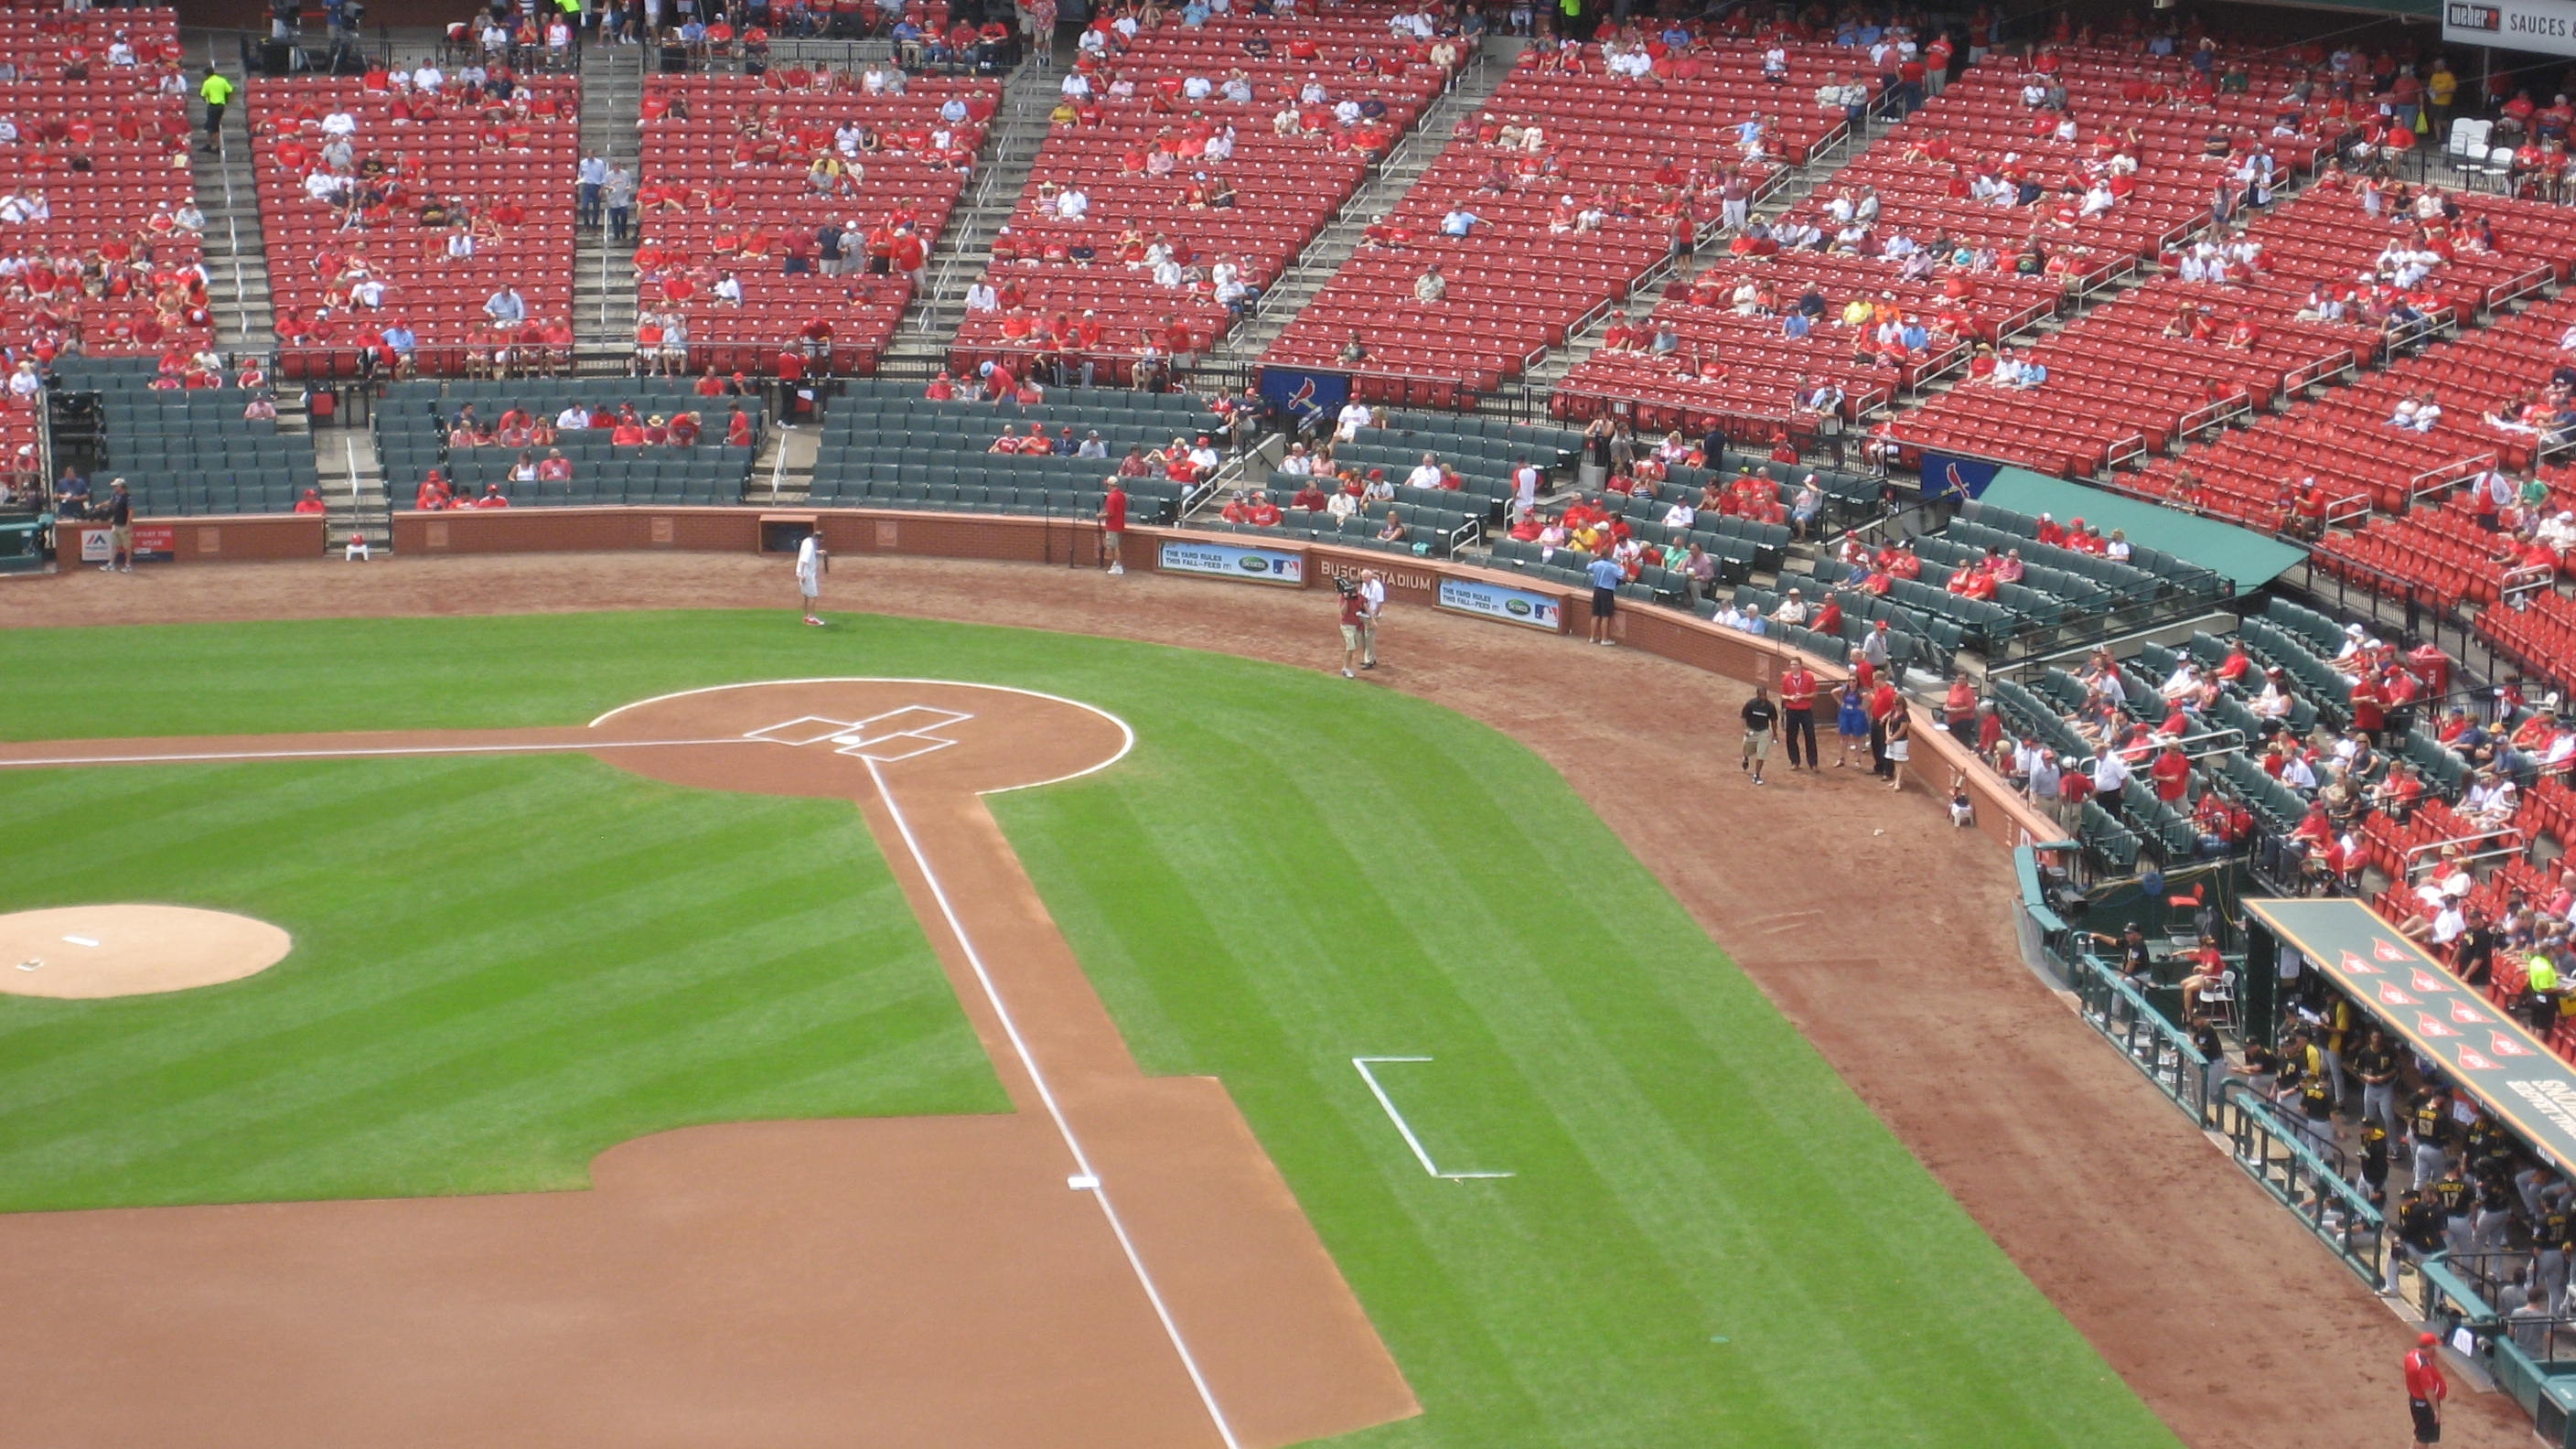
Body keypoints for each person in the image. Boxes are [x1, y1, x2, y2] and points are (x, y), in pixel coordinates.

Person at [2404, 1331, 2447, 1448]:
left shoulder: (2411, 1355)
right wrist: (2436, 1410)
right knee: (2424, 1438)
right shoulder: (2424, 1368)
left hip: (2415, 1400)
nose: (2436, 1349)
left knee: (2420, 1431)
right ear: (2429, 1347)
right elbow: (2429, 1391)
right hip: (2424, 1404)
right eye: (2434, 1346)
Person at [1741, 684, 1777, 785]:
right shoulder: (1751, 704)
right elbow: (1743, 717)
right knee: (1746, 750)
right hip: (1752, 731)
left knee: (1761, 755)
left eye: (1765, 695)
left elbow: (1773, 721)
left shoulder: (1770, 706)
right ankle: (1746, 758)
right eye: (1762, 695)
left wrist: (1775, 734)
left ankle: (1757, 775)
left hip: (1764, 732)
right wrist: (1746, 729)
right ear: (1758, 695)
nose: (1764, 697)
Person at [1585, 552, 1623, 644]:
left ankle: (1592, 637)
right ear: (1610, 555)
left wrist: (1595, 558)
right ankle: (1604, 639)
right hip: (1607, 592)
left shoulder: (1597, 564)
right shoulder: (1612, 567)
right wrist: (1621, 566)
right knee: (1605, 616)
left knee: (1595, 614)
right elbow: (1621, 574)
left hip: (1597, 590)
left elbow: (1588, 566)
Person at [97, 478, 134, 572]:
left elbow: (130, 511)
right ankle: (111, 564)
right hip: (116, 524)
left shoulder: (128, 497)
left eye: (116, 486)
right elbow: (110, 503)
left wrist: (128, 525)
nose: (114, 487)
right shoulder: (115, 495)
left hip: (123, 525)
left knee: (127, 547)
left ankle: (128, 565)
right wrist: (101, 505)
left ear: (121, 486)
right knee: (114, 546)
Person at [793, 528, 827, 625]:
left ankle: (807, 616)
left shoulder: (807, 541)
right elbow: (804, 560)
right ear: (818, 539)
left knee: (807, 595)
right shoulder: (810, 547)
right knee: (813, 595)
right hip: (807, 575)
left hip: (802, 573)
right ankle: (811, 618)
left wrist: (818, 552)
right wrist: (802, 575)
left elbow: (807, 553)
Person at [199, 66, 235, 154]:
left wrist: (206, 101)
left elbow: (203, 95)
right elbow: (230, 90)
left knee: (214, 127)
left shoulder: (207, 82)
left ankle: (216, 146)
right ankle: (210, 145)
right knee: (210, 125)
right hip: (221, 106)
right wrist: (228, 102)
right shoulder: (222, 80)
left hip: (213, 105)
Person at [1337, 577, 1368, 679]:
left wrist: (1372, 619)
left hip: (1357, 626)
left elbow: (1365, 610)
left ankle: (1348, 667)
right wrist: (1347, 599)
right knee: (1351, 646)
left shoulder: (1361, 597)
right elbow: (1343, 612)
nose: (1357, 587)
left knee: (1358, 645)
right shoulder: (1343, 597)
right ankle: (1346, 668)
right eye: (1355, 585)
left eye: (1359, 585)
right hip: (1346, 625)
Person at [1357, 568, 1386, 670]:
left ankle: (1368, 661)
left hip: (1372, 615)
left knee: (1369, 637)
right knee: (1363, 638)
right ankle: (1370, 658)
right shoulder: (1363, 585)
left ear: (1370, 577)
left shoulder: (1377, 587)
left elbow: (1380, 603)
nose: (1363, 579)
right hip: (1363, 614)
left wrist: (1375, 617)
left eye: (1365, 577)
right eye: (1362, 577)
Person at [1098, 477, 1127, 574]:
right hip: (1120, 524)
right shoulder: (1121, 495)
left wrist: (1100, 515)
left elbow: (1110, 513)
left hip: (1113, 525)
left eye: (1108, 485)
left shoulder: (1111, 497)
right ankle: (1116, 564)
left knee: (1115, 547)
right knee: (1116, 545)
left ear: (1110, 485)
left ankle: (1118, 566)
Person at [1884, 700, 1912, 792]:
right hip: (1891, 740)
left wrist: (1892, 738)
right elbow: (1888, 724)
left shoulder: (1905, 716)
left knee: (1899, 761)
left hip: (1900, 741)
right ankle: (1897, 780)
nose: (1894, 706)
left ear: (1901, 705)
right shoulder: (1893, 712)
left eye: (1896, 704)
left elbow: (1901, 730)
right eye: (1894, 704)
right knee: (1894, 760)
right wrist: (1888, 736)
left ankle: (1898, 781)